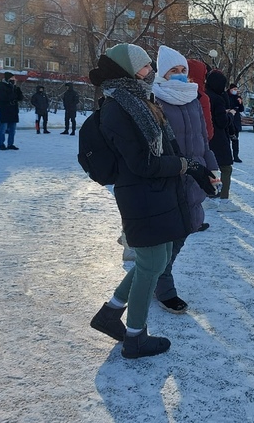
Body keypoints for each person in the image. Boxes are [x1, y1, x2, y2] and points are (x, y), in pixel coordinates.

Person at [87, 43, 211, 359]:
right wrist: (184, 165)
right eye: (143, 67)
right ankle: (136, 336)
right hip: (140, 195)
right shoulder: (120, 106)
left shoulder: (137, 100)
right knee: (153, 263)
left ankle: (111, 313)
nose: (149, 71)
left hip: (154, 193)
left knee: (154, 258)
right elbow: (144, 163)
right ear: (126, 70)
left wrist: (192, 166)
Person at [152, 45, 219, 313]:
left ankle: (160, 276)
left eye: (183, 70)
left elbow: (203, 141)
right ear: (162, 74)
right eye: (173, 71)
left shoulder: (193, 99)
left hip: (196, 177)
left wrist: (212, 171)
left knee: (185, 230)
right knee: (166, 236)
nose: (180, 75)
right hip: (169, 178)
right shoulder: (155, 100)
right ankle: (163, 286)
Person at [206, 69, 241, 212]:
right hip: (219, 137)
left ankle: (208, 196)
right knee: (226, 168)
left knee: (211, 167)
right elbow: (222, 121)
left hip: (207, 137)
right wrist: (230, 115)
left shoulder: (205, 95)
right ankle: (224, 200)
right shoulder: (218, 99)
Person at [0, 72, 23, 150]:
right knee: (3, 128)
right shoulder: (2, 86)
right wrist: (12, 92)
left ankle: (10, 144)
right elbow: (4, 97)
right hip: (5, 109)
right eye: (12, 78)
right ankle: (1, 144)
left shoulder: (14, 87)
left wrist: (17, 90)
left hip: (13, 110)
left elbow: (20, 98)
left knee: (12, 129)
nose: (14, 80)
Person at [227, 83, 244, 163]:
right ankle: (227, 156)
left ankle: (236, 156)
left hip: (236, 121)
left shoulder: (238, 98)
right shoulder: (226, 96)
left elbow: (241, 109)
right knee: (227, 140)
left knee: (235, 139)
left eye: (236, 89)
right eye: (234, 89)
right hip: (228, 120)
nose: (235, 91)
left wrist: (240, 103)